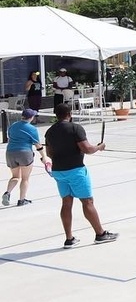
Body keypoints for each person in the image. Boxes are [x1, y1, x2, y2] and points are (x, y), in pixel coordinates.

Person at [45, 103, 117, 247]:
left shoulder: (50, 132)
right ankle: (100, 234)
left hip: (58, 171)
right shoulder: (75, 128)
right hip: (76, 170)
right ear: (69, 114)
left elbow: (49, 153)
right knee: (87, 202)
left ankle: (69, 238)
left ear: (56, 115)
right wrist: (99, 147)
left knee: (66, 203)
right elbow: (87, 149)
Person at [4, 108, 47, 207]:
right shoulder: (32, 129)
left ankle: (7, 193)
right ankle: (21, 200)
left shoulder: (13, 126)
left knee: (15, 176)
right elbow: (37, 145)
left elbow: (10, 137)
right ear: (31, 117)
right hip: (24, 153)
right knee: (25, 178)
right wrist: (44, 156)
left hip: (10, 152)